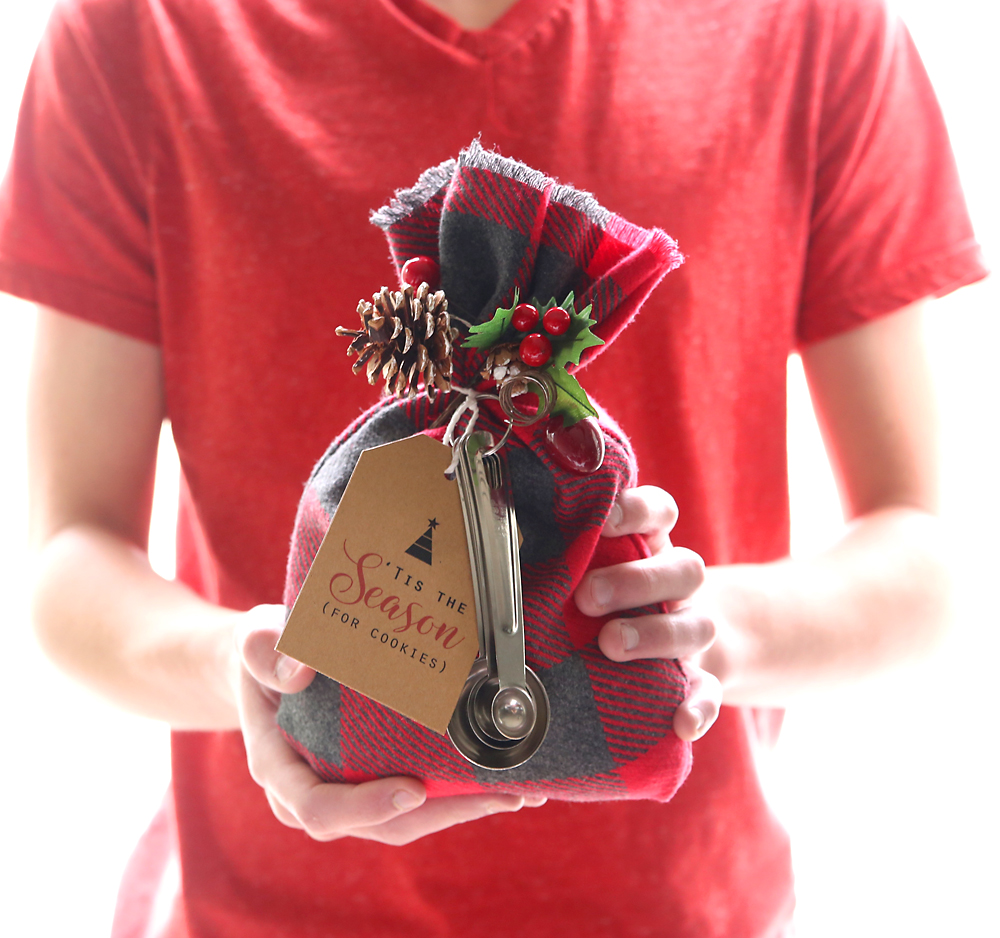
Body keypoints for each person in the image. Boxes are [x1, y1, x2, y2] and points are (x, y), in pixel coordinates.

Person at [0, 0, 986, 934]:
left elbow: (922, 552)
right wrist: (236, 665)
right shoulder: (142, 29)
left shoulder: (809, 25)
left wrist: (703, 633)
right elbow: (68, 550)